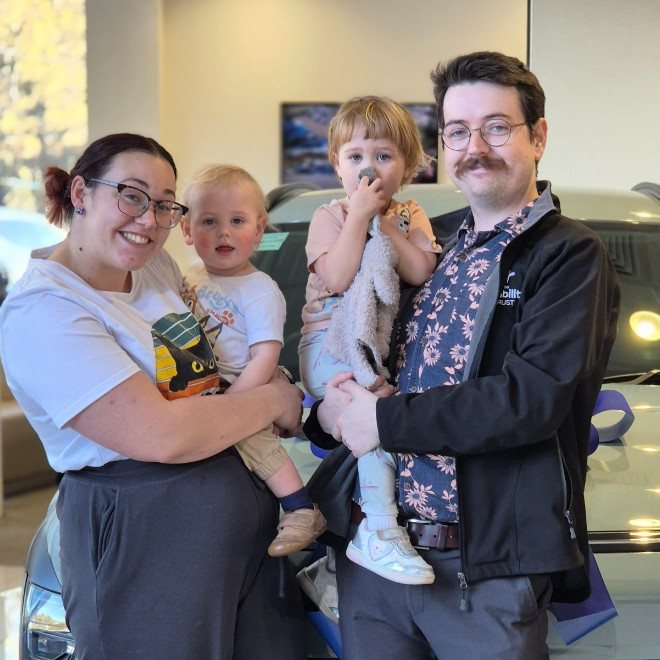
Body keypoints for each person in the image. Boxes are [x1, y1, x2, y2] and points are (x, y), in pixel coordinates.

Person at [304, 52, 620, 659]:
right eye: (457, 131)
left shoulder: (566, 254)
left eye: (496, 127)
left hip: (484, 573)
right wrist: (327, 412)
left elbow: (528, 400)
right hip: (373, 562)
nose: (475, 147)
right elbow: (357, 344)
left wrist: (381, 420)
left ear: (538, 137)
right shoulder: (425, 239)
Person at [0, 134, 306, 659]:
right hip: (142, 532)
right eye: (132, 195)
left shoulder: (153, 267)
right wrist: (276, 400)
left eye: (165, 204)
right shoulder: (45, 309)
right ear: (81, 193)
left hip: (241, 527)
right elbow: (160, 435)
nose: (148, 219)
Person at [298, 96, 442, 585]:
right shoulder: (331, 215)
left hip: (376, 348)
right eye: (356, 156)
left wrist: (382, 223)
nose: (369, 168)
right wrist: (359, 217)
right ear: (337, 164)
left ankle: (342, 559)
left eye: (383, 156)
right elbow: (338, 277)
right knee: (374, 414)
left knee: (387, 415)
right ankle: (379, 530)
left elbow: (420, 270)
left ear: (408, 165)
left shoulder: (410, 214)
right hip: (329, 343)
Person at [180, 164, 326, 557]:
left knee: (254, 441)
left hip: (245, 385)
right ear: (186, 230)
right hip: (199, 391)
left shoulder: (259, 289)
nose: (223, 232)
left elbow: (265, 356)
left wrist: (233, 406)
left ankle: (300, 507)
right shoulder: (189, 277)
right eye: (209, 221)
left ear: (259, 230)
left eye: (237, 221)